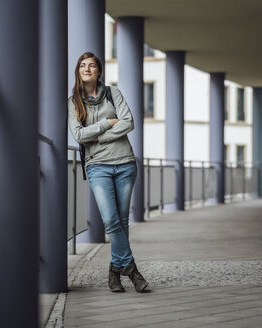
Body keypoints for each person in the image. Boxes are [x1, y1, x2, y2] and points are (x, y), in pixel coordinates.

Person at [68, 52, 148, 293]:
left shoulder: (114, 93)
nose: (87, 69)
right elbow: (79, 136)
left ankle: (114, 273)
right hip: (97, 166)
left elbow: (129, 122)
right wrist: (108, 123)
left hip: (124, 163)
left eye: (92, 65)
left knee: (121, 222)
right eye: (83, 65)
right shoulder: (73, 101)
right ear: (78, 71)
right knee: (111, 220)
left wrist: (99, 137)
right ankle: (131, 269)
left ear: (99, 71)